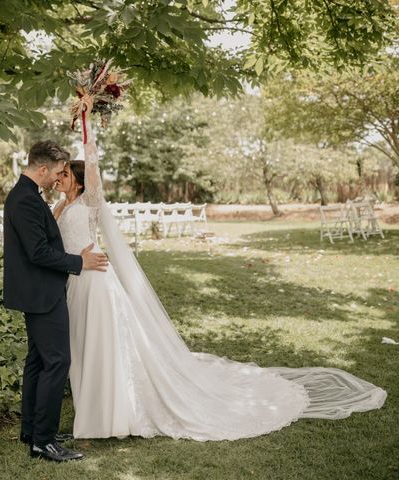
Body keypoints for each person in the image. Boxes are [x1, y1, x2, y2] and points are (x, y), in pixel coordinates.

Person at [53, 118, 387, 441]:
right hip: (75, 282)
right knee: (83, 345)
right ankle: (92, 408)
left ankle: (110, 414)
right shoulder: (59, 207)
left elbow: (94, 164)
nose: (59, 178)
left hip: (97, 281)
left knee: (101, 344)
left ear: (79, 180)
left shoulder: (90, 200)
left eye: (65, 173)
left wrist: (87, 122)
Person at [3, 140, 108, 461]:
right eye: (57, 172)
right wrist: (80, 263)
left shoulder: (26, 196)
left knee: (37, 362)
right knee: (56, 362)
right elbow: (37, 252)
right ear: (43, 169)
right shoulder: (24, 200)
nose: (58, 178)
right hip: (42, 293)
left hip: (38, 291)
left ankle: (32, 430)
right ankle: (44, 441)